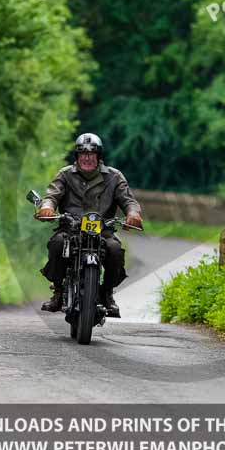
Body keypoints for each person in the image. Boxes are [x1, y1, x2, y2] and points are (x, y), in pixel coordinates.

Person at [35, 133, 143, 318]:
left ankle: (107, 293)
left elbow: (128, 200)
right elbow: (52, 195)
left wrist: (133, 213)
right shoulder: (65, 174)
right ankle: (59, 291)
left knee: (115, 249)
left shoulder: (114, 177)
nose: (86, 157)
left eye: (91, 153)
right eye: (82, 153)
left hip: (102, 230)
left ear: (99, 156)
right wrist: (47, 207)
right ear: (76, 156)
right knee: (57, 244)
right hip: (71, 228)